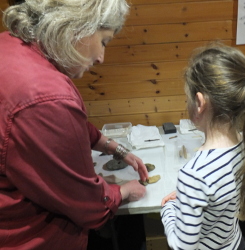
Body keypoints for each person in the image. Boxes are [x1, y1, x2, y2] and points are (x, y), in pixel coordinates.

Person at [0, 0, 149, 249]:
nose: (101, 57)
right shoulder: (49, 96)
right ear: (78, 24)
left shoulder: (9, 43)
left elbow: (68, 127)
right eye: (103, 41)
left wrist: (113, 147)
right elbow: (90, 207)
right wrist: (123, 191)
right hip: (32, 238)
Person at [161, 43, 245, 250]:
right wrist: (190, 200)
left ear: (199, 102)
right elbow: (220, 201)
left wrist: (168, 209)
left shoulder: (194, 174)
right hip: (235, 243)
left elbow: (182, 246)